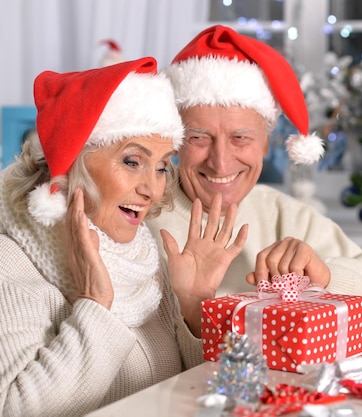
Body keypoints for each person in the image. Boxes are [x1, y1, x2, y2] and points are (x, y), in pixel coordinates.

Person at [0, 57, 246, 417]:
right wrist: (96, 304)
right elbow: (13, 409)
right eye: (132, 161)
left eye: (162, 167)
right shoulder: (10, 266)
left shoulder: (140, 257)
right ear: (74, 164)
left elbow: (194, 392)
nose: (152, 188)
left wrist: (194, 307)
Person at [147, 25, 362, 319]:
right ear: (175, 143)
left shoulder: (284, 214)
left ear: (266, 143)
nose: (221, 163)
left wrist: (326, 277)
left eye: (240, 138)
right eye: (198, 138)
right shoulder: (140, 215)